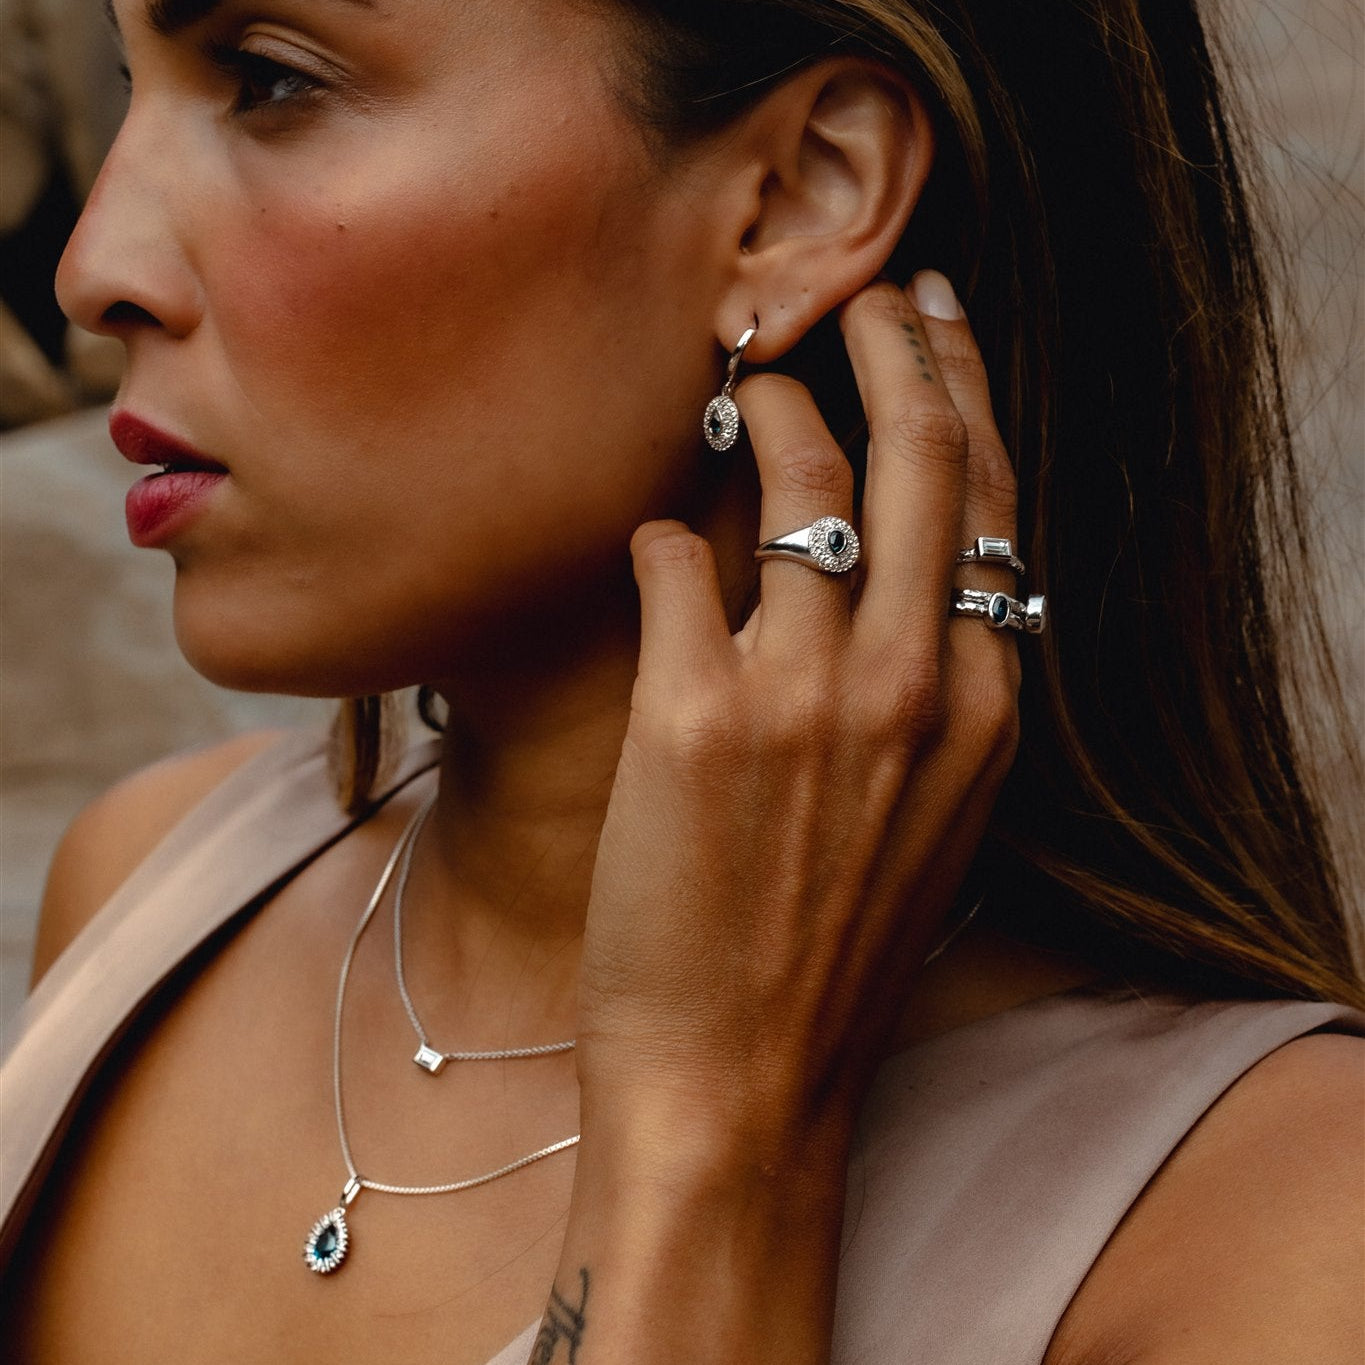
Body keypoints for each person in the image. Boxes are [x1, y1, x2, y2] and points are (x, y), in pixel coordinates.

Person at [1, 0, 1361, 1361]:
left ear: (795, 196)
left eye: (268, 81)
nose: (92, 267)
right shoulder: (142, 891)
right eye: (136, 80)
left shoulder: (1287, 1240)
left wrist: (710, 1159)